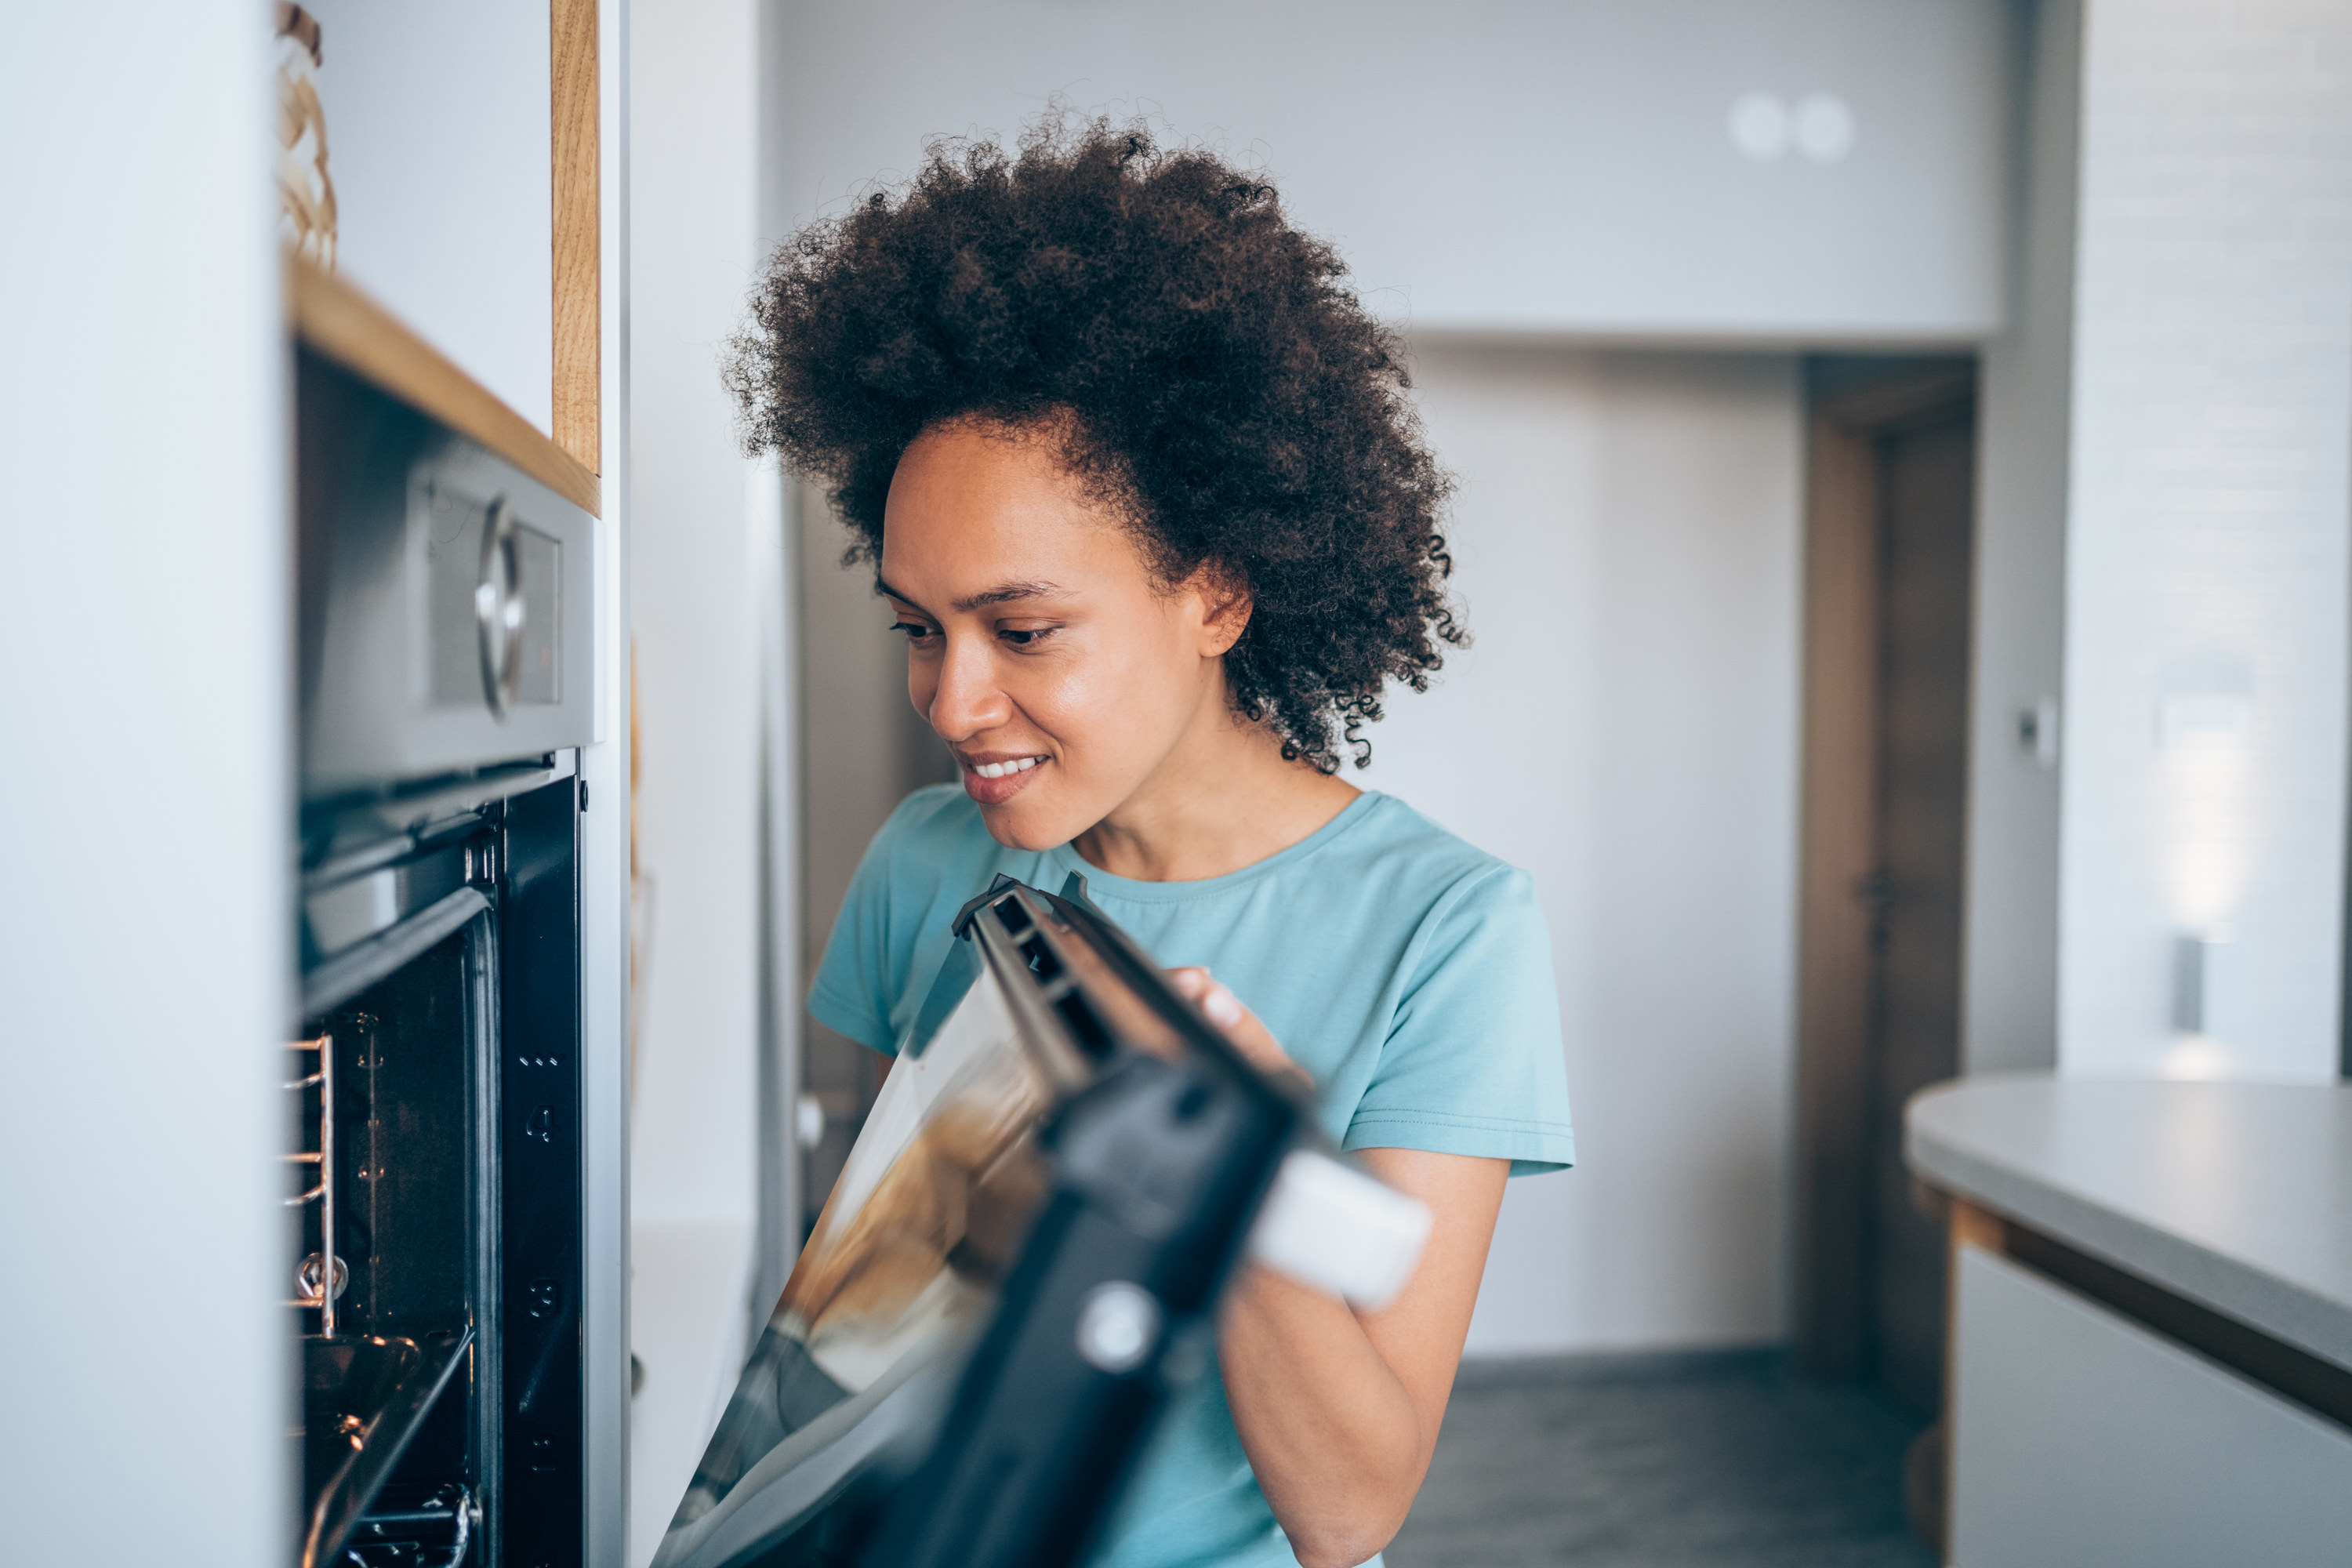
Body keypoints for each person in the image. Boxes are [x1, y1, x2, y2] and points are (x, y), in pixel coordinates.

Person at [728, 114, 1574, 1568]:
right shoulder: (926, 867)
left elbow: (1351, 1505)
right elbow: (895, 1293)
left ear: (1220, 596)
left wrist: (1221, 1164)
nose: (952, 698)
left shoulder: (1451, 932)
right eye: (919, 631)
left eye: (1025, 629)